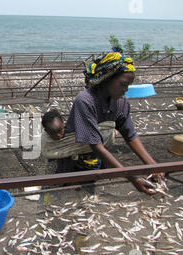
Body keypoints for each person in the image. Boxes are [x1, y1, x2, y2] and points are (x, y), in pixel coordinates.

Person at [54, 50, 163, 195]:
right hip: (73, 158)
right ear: (107, 78)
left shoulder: (121, 102)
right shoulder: (85, 100)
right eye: (123, 84)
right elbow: (96, 146)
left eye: (128, 85)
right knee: (67, 190)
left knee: (89, 189)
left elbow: (130, 135)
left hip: (96, 159)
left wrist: (152, 165)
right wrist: (133, 178)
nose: (126, 90)